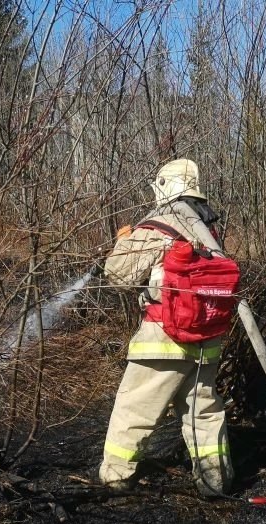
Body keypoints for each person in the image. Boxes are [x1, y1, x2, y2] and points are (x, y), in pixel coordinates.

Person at [98, 158, 234, 496]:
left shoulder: (158, 224)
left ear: (163, 186)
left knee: (135, 407)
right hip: (207, 340)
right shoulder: (206, 227)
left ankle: (115, 478)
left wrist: (125, 241)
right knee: (202, 411)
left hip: (164, 337)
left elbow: (118, 275)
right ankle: (215, 481)